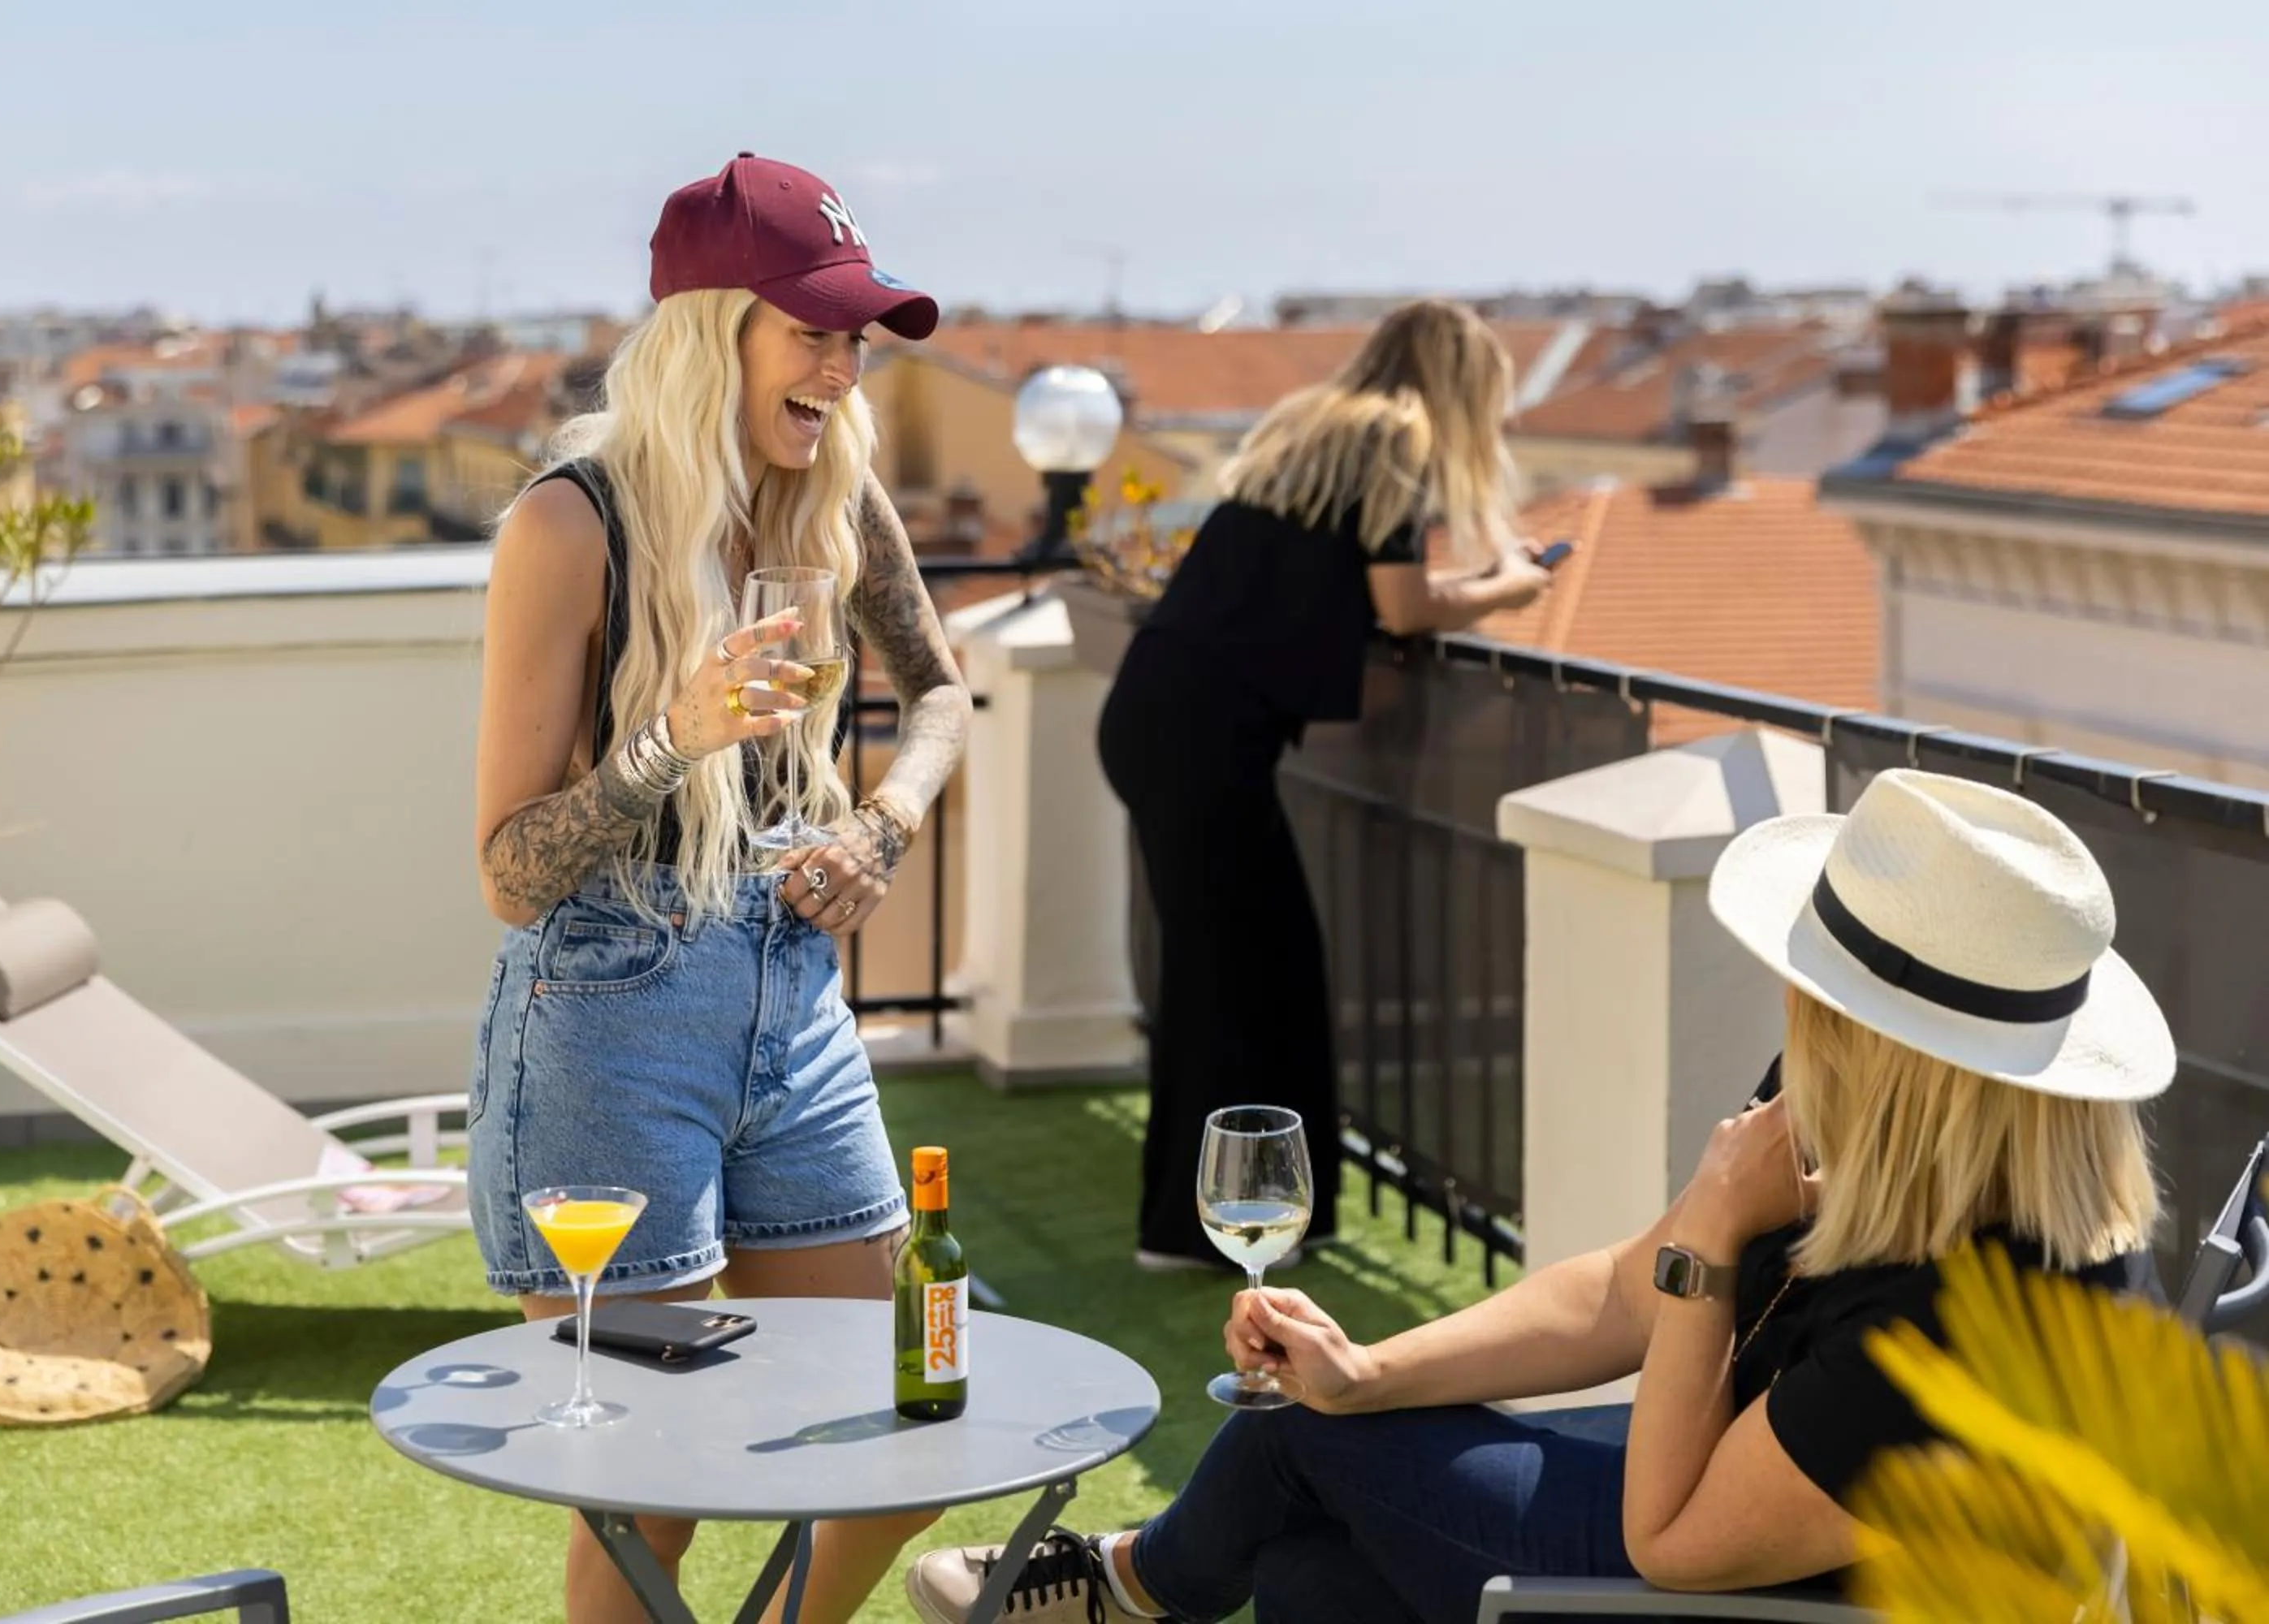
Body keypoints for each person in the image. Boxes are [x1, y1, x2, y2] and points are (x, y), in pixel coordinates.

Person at [905, 767, 2175, 1622]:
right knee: (1310, 1567)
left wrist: (1716, 1242)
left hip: (1731, 1574)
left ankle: (1127, 1589)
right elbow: (1623, 1287)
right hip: (1733, 1487)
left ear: (1893, 1048)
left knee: (1287, 1440)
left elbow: (1673, 1543)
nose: (1796, 1003)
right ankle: (1137, 1586)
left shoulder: (1972, 1317)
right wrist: (1370, 1366)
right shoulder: (1894, 1129)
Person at [469, 153, 970, 1624]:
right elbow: (507, 872)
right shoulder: (569, 527)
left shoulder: (839, 502)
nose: (845, 360)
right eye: (811, 328)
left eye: (855, 332)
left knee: (906, 1422)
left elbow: (942, 696)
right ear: (710, 332)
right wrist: (665, 743)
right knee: (653, 1491)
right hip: (608, 1018)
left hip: (794, 1002)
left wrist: (883, 825)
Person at [1095, 299, 1555, 1270]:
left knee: (1234, 975)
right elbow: (1403, 603)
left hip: (1164, 712)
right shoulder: (1401, 436)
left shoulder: (1314, 427)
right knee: (1250, 979)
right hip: (1204, 734)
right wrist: (1508, 586)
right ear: (1460, 384)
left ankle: (1222, 1219)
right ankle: (1204, 1233)